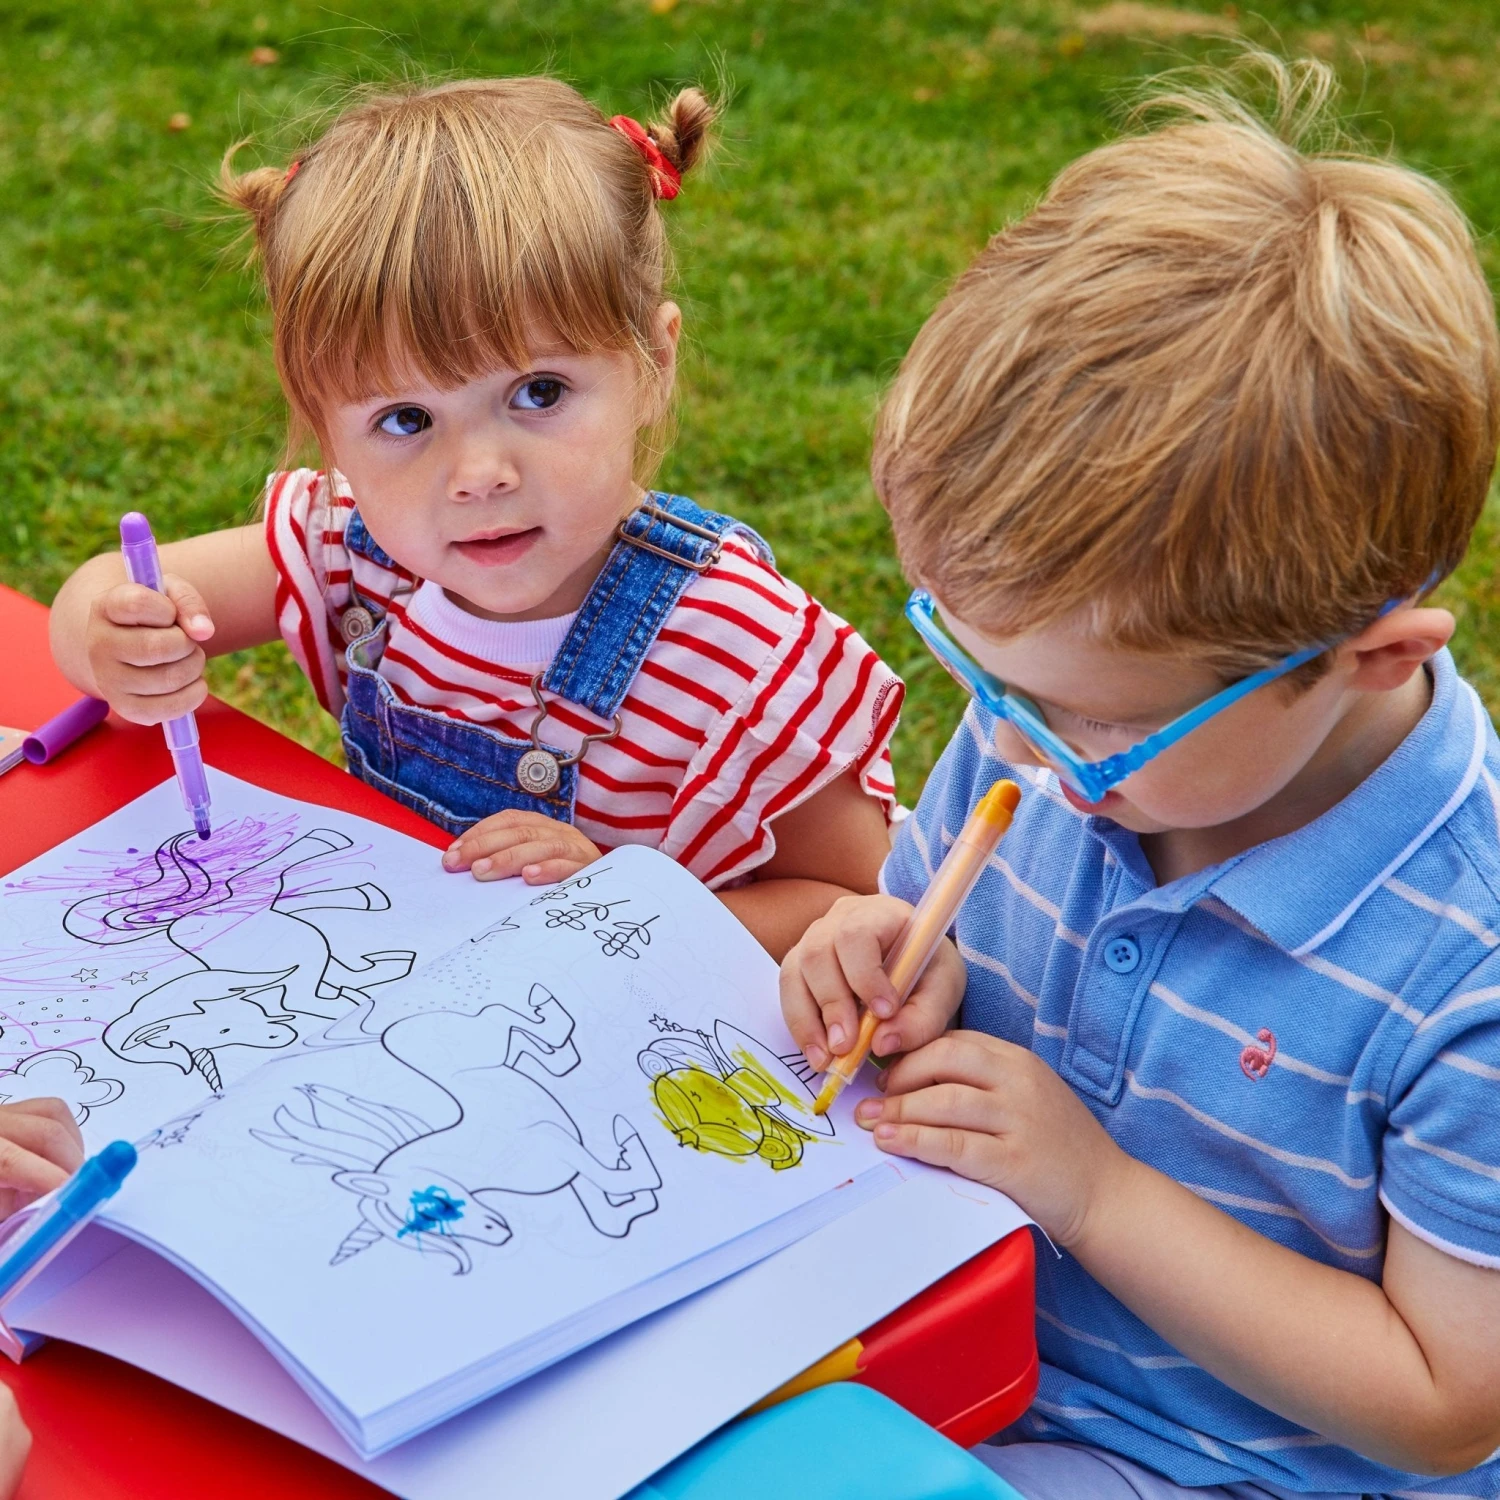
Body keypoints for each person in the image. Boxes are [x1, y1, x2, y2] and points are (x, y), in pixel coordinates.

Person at [782, 53, 1500, 1499]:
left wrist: (1096, 1192)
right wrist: (877, 953)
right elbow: (934, 925)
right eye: (990, 685)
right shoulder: (1071, 729)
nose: (1025, 752)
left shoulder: (1465, 964)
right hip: (946, 1357)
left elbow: (1445, 1406)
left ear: (1367, 655)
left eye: (1089, 723)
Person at [48, 78, 901, 960]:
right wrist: (115, 638)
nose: (478, 475)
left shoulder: (733, 651)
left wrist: (622, 902)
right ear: (327, 428)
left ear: (653, 365)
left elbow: (861, 903)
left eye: (539, 393)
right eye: (405, 420)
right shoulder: (359, 551)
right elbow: (107, 593)